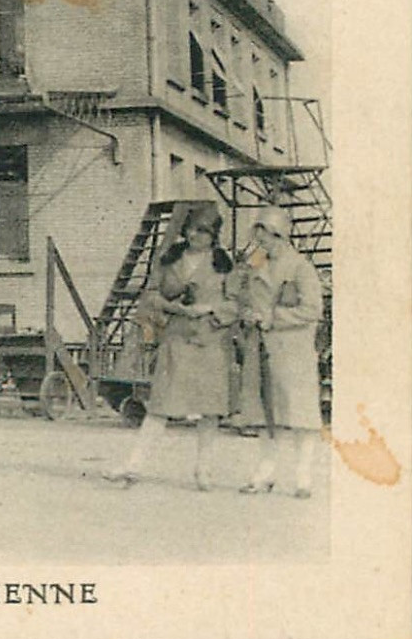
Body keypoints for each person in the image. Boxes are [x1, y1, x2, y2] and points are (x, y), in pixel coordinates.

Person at [107, 205, 236, 490]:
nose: (195, 236)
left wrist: (211, 309)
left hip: (210, 342)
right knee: (160, 405)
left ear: (214, 235)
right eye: (191, 229)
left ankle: (204, 471)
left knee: (210, 410)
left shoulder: (224, 263)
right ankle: (134, 465)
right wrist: (172, 307)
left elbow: (237, 302)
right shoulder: (169, 260)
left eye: (204, 231)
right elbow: (151, 294)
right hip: (176, 340)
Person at [235, 206, 326, 498]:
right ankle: (266, 471)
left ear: (279, 235)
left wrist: (272, 318)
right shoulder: (255, 265)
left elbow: (312, 310)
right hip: (260, 349)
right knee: (264, 415)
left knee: (301, 417)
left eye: (265, 237)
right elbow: (243, 299)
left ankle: (303, 476)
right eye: (258, 237)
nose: (260, 243)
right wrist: (247, 314)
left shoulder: (300, 267)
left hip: (293, 351)